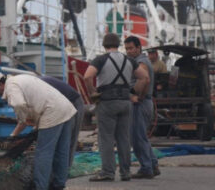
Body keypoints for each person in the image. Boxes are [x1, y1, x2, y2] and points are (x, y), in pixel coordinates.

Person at [0, 73, 76, 190]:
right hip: (66, 108)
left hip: (52, 112)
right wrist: (18, 130)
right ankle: (58, 187)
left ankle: (40, 189)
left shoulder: (11, 85)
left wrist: (22, 120)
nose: (0, 96)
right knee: (61, 151)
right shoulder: (22, 79)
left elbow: (19, 104)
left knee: (44, 152)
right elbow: (33, 104)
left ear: (0, 85)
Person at [84, 33, 149, 182]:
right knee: (124, 138)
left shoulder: (100, 60)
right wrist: (134, 92)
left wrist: (92, 92)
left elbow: (87, 76)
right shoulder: (129, 60)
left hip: (107, 102)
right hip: (125, 102)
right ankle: (125, 173)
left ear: (104, 45)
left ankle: (108, 172)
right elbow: (145, 77)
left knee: (106, 138)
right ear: (118, 44)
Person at [124, 36, 161, 179]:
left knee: (137, 138)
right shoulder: (137, 61)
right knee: (141, 136)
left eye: (131, 48)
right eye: (126, 48)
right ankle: (152, 164)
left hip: (140, 103)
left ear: (139, 47)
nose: (128, 51)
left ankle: (146, 168)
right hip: (144, 102)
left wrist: (137, 96)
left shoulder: (141, 62)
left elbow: (145, 79)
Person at [39, 75, 84, 167]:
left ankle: (66, 168)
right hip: (63, 103)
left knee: (69, 139)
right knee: (63, 141)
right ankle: (60, 169)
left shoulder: (39, 86)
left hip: (73, 102)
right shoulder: (36, 84)